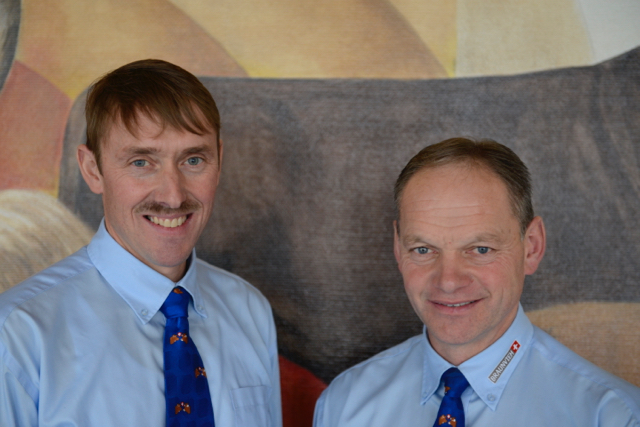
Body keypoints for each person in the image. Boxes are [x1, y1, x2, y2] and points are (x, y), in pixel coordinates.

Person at [0, 59, 282, 426]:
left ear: (219, 160)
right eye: (141, 162)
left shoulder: (249, 312)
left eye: (193, 159)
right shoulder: (18, 333)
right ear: (92, 169)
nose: (173, 196)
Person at [313, 137, 640, 426]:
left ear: (531, 247)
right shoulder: (345, 405)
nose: (448, 281)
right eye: (423, 249)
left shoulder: (612, 416)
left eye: (481, 249)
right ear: (398, 249)